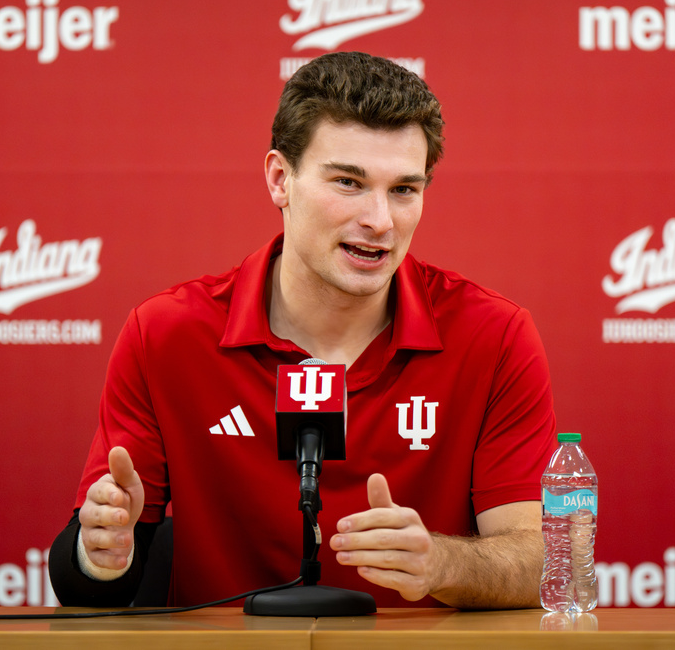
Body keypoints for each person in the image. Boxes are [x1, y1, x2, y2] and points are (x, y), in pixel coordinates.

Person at [49, 51, 557, 609]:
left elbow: (540, 564)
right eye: (348, 182)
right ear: (279, 179)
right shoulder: (167, 332)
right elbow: (91, 578)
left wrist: (442, 562)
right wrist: (100, 555)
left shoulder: (494, 334)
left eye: (404, 190)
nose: (380, 220)